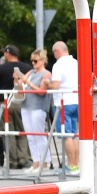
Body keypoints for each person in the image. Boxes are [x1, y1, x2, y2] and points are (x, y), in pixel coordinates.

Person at [0, 45, 33, 169]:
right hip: (22, 102)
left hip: (5, 103)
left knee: (8, 132)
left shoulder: (0, 68)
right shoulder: (27, 67)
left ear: (8, 53)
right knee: (22, 130)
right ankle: (24, 158)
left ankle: (12, 161)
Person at [16, 49, 52, 174]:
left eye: (35, 61)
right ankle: (36, 161)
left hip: (38, 106)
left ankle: (44, 162)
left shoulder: (46, 74)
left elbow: (42, 92)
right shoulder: (31, 72)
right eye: (32, 61)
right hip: (26, 106)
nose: (33, 63)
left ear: (43, 61)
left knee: (39, 135)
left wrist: (28, 83)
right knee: (31, 136)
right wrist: (18, 80)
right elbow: (21, 85)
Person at [49, 41, 80, 173]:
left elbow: (55, 85)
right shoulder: (76, 62)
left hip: (63, 103)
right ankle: (76, 165)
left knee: (66, 135)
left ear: (57, 51)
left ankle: (71, 166)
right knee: (75, 135)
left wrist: (47, 84)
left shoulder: (58, 65)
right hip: (77, 101)